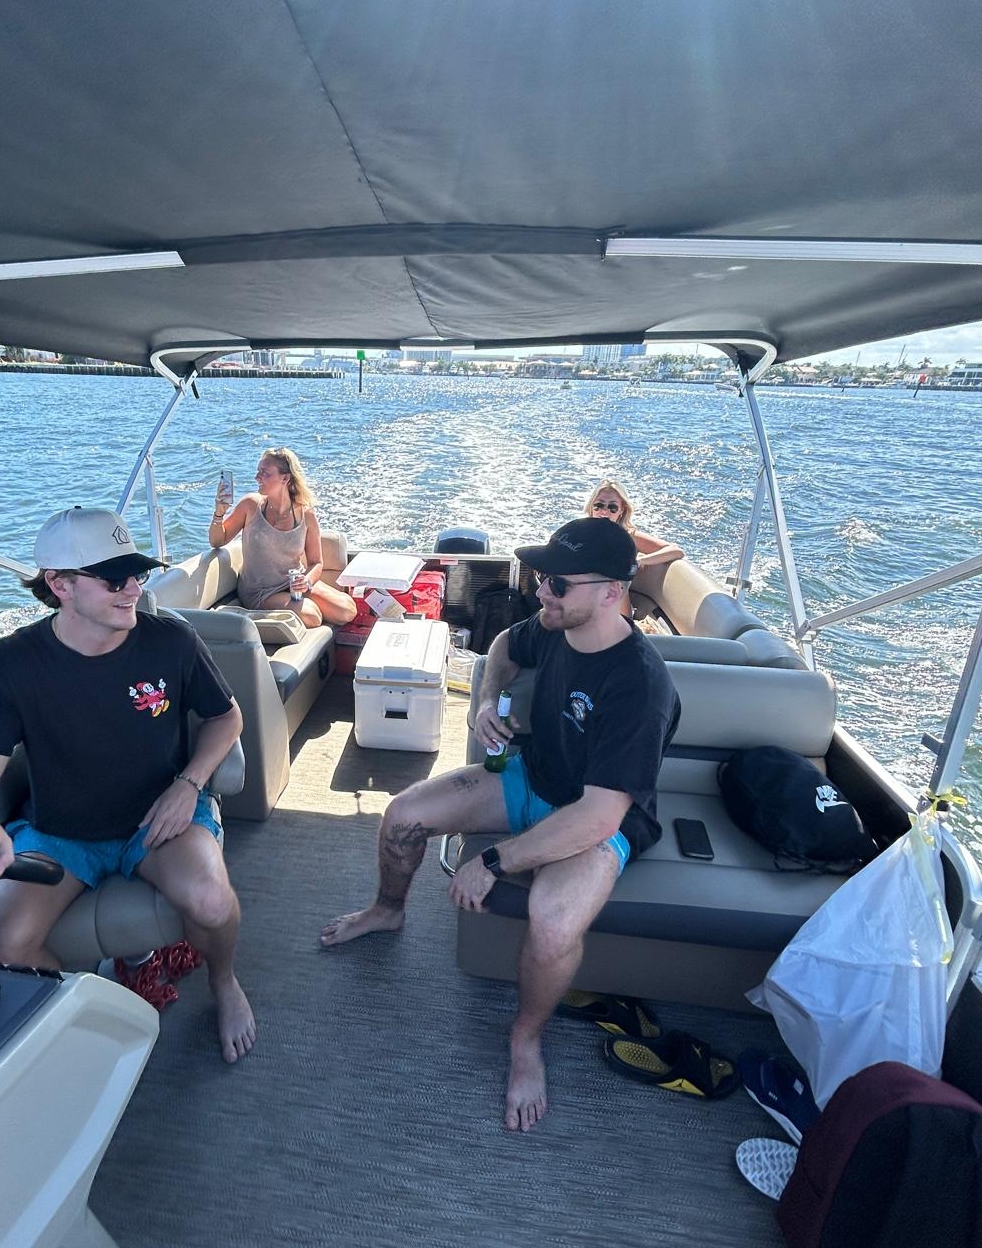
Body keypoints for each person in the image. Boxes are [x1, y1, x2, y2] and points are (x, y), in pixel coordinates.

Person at [320, 518, 680, 1133]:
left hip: (599, 819)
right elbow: (502, 651)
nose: (542, 592)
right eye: (541, 577)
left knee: (554, 916)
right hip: (532, 779)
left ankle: (525, 1040)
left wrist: (492, 861)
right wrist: (488, 701)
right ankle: (387, 909)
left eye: (558, 584)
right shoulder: (552, 627)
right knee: (402, 816)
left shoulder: (640, 685)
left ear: (610, 593)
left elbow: (599, 814)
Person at [0, 505, 256, 1062]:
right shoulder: (7, 665)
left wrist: (189, 783)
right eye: (113, 578)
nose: (133, 588)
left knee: (213, 902)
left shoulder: (170, 642)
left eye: (139, 573)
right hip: (60, 833)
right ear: (60, 585)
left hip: (159, 818)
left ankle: (224, 983)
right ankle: (105, 1012)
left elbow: (227, 717)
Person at [208, 447, 356, 628]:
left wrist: (307, 581)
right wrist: (219, 513)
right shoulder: (250, 505)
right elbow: (217, 541)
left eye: (264, 473)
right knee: (312, 616)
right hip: (261, 591)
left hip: (294, 582)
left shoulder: (306, 514)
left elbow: (316, 562)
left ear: (285, 478)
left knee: (347, 610)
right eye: (258, 472)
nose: (257, 478)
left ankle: (302, 606)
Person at [585, 478, 684, 571]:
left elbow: (676, 551)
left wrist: (641, 561)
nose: (605, 511)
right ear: (591, 506)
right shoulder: (577, 533)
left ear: (621, 510)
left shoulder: (628, 537)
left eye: (612, 507)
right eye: (599, 505)